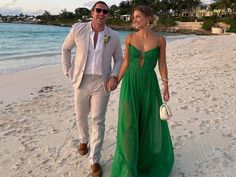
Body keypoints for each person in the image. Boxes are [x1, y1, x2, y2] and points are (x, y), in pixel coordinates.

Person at [110, 5, 174, 177]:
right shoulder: (130, 38)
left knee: (148, 122)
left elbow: (162, 64)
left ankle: (145, 163)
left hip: (149, 84)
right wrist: (117, 79)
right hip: (130, 83)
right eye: (133, 17)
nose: (135, 20)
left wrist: (165, 84)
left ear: (148, 17)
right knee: (128, 124)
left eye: (138, 17)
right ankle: (128, 167)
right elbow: (124, 62)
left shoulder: (160, 40)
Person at [61, 1, 123, 177]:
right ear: (92, 12)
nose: (101, 13)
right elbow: (65, 49)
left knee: (98, 119)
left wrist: (114, 76)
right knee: (80, 115)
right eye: (98, 10)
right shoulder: (78, 29)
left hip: (101, 83)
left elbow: (119, 58)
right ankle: (83, 140)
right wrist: (68, 70)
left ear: (108, 14)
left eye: (105, 11)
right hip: (81, 80)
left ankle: (95, 160)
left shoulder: (114, 35)